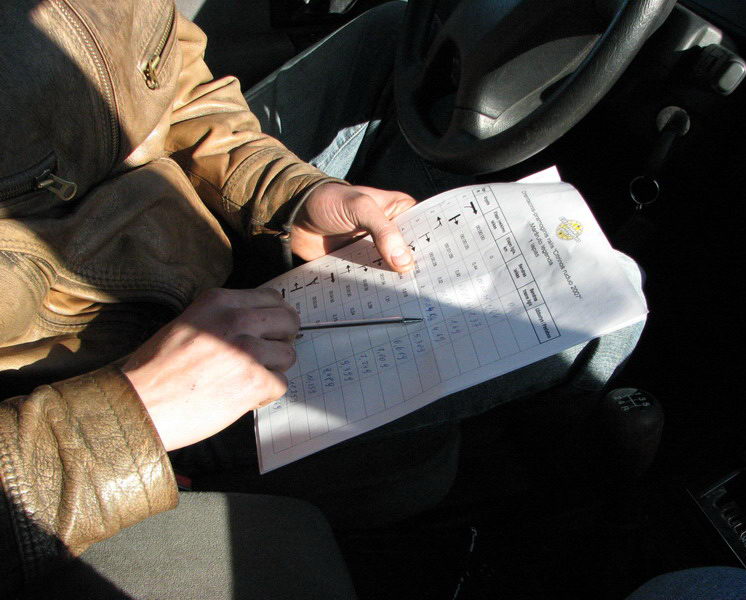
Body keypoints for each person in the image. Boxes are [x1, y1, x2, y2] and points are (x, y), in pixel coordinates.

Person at [0, 1, 645, 597]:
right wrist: (128, 416)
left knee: (396, 35)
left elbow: (173, 90)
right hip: (85, 400)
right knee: (595, 326)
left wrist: (291, 195)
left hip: (195, 257)